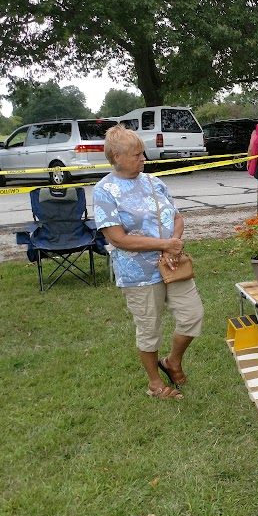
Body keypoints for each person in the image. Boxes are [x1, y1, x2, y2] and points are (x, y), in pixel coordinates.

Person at [93, 125, 204, 400]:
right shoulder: (105, 191)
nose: (144, 159)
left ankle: (172, 361)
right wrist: (164, 245)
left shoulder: (155, 182)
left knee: (193, 316)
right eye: (136, 155)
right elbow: (117, 238)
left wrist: (173, 244)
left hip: (172, 265)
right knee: (148, 328)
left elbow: (176, 217)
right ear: (116, 157)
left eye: (143, 154)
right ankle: (155, 383)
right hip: (139, 274)